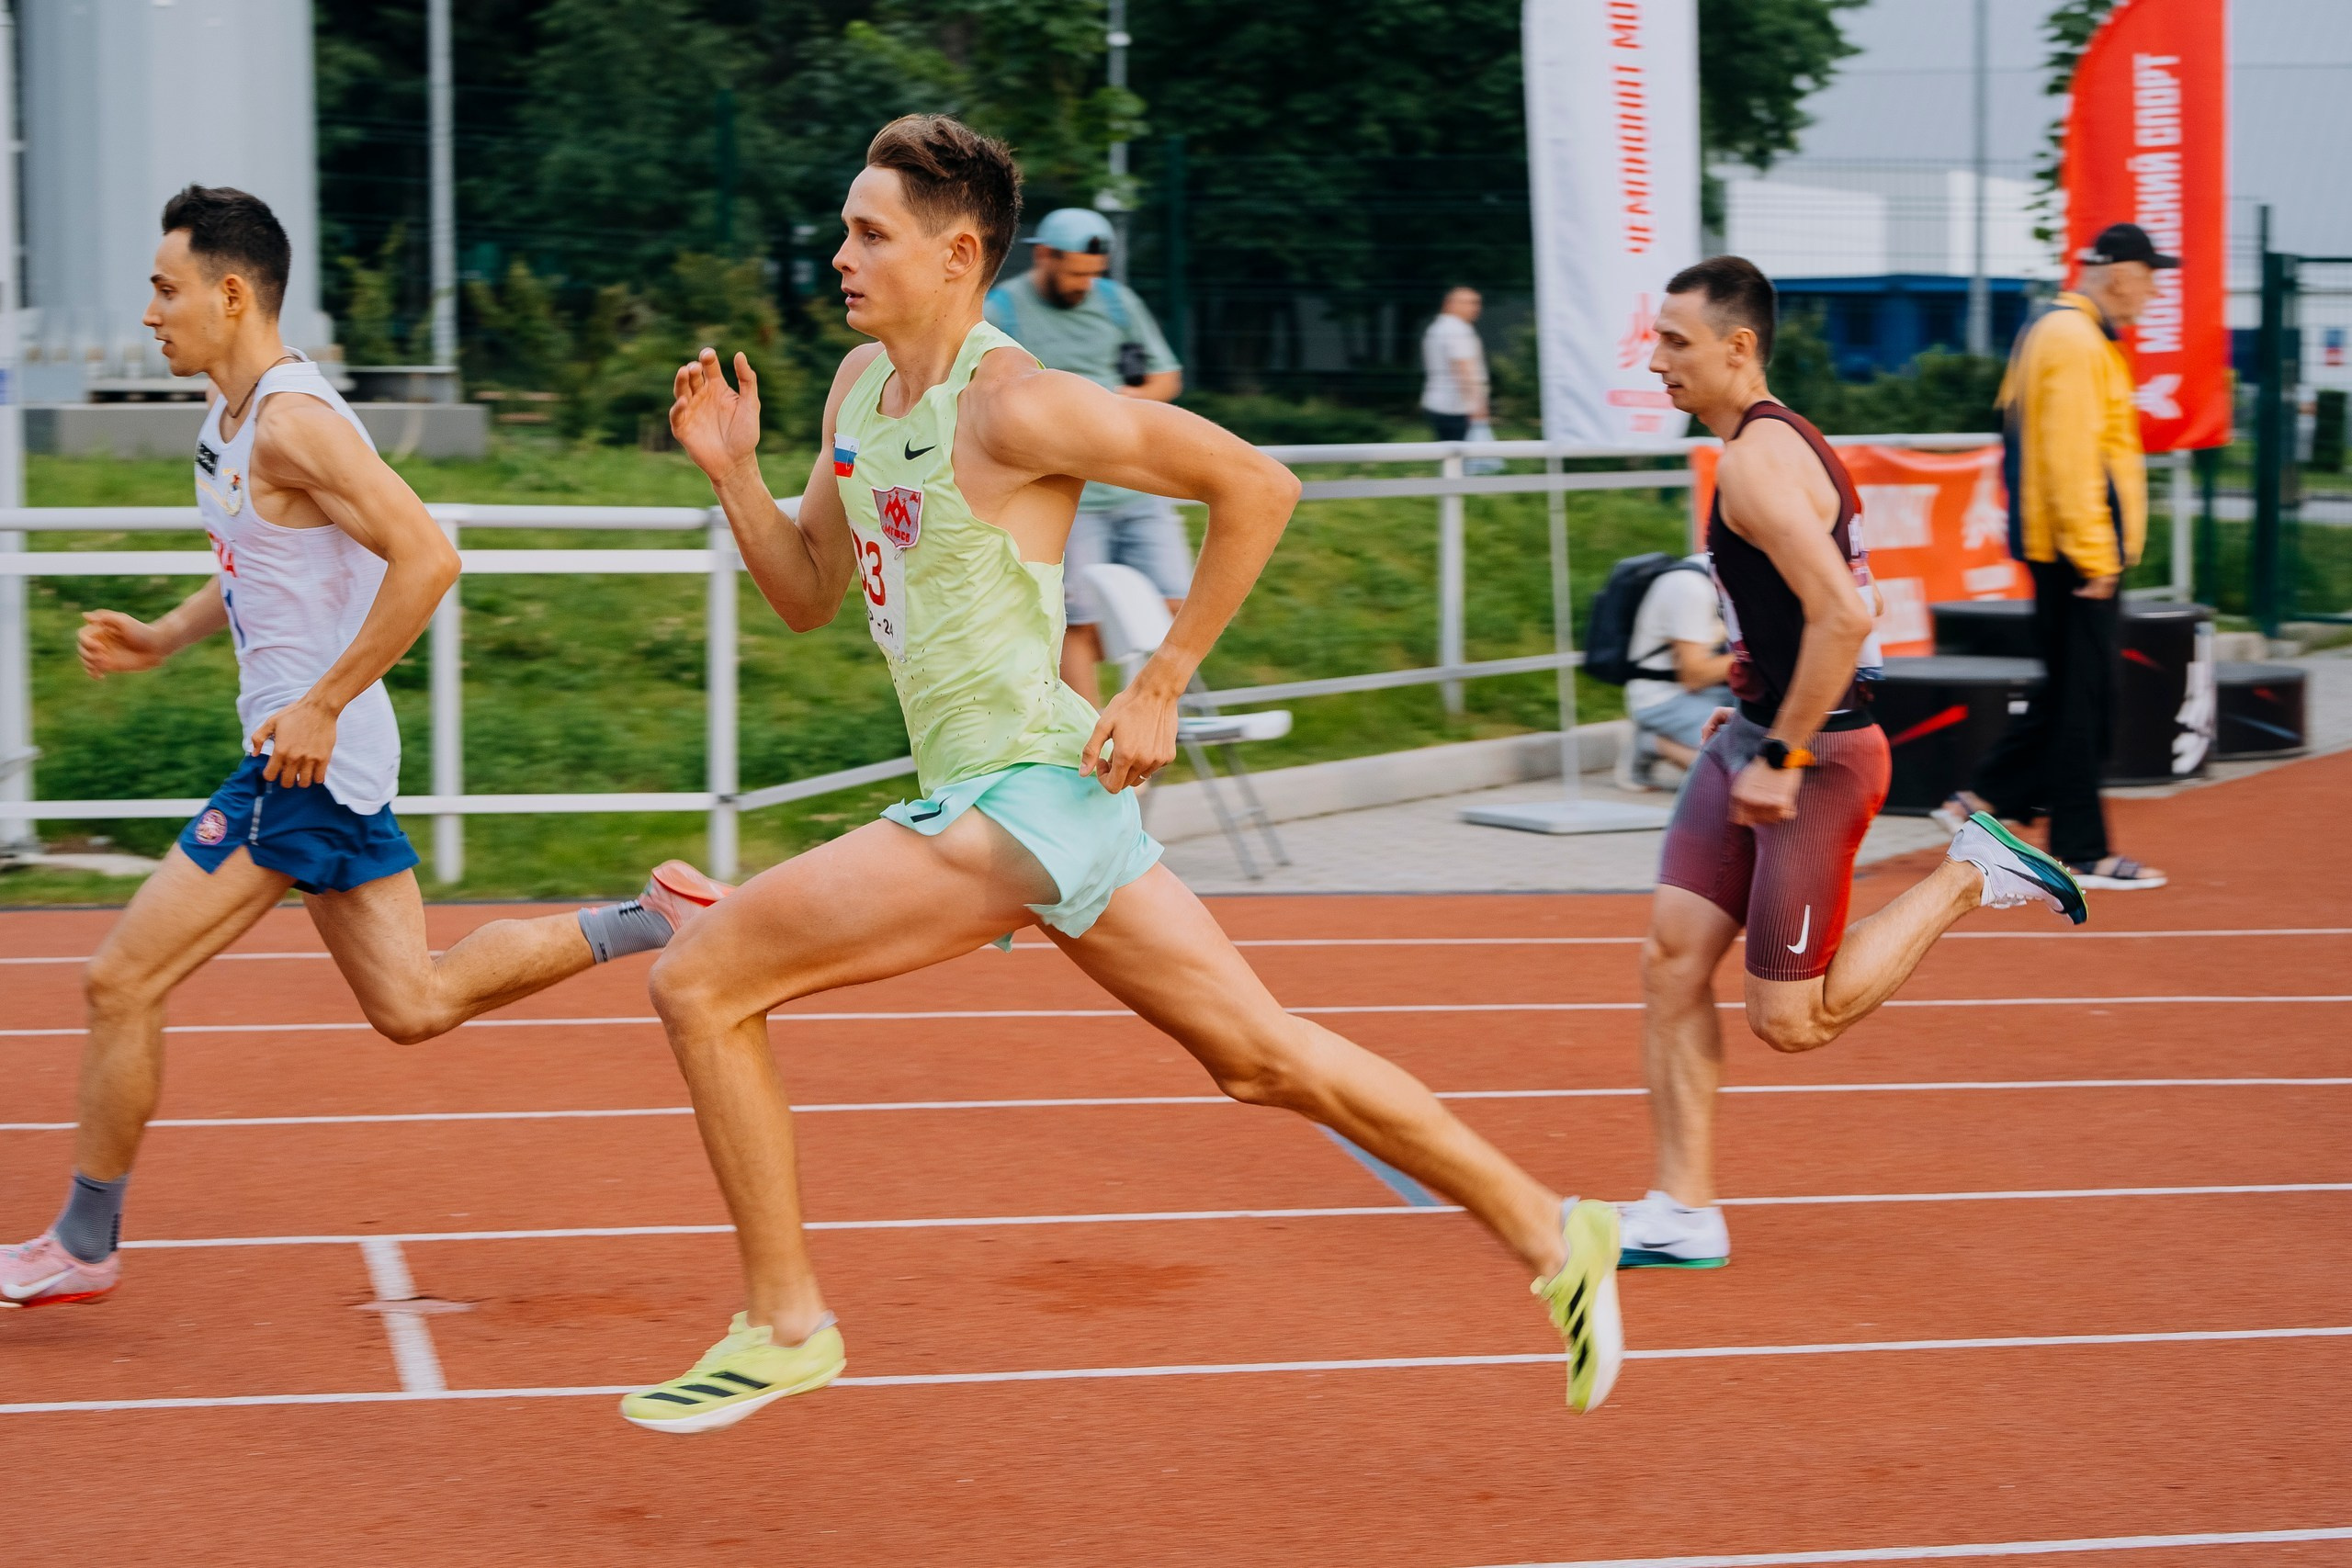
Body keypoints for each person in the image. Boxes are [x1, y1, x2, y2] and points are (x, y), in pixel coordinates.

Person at [621, 115, 1625, 1431]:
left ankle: (787, 1323)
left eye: (870, 233)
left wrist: (1160, 682)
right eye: (847, 228)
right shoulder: (859, 391)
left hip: (1020, 795)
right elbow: (808, 592)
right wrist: (736, 476)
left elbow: (1258, 485)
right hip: (1043, 803)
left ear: (958, 254)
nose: (842, 254)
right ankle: (1554, 1229)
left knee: (701, 979)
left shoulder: (1020, 403)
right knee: (1263, 1059)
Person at [0, 186, 727, 1312]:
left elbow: (429, 556)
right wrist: (163, 636)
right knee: (413, 1003)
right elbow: (257, 563)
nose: (148, 313)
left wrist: (323, 703)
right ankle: (655, 915)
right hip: (326, 762)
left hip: (298, 766)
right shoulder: (229, 420)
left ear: (229, 294)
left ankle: (84, 1241)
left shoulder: (295, 421)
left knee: (120, 979)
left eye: (163, 289)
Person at [1617, 256, 2090, 1271]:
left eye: (1674, 341)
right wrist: (1755, 702)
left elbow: (1843, 615)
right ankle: (1682, 1210)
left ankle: (1971, 872)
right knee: (1670, 961)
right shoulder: (1775, 442)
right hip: (1755, 733)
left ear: (1738, 347)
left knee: (1791, 1021)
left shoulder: (1757, 462)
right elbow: (1825, 605)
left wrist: (1784, 750)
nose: (1656, 359)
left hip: (1816, 758)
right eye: (1656, 338)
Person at [1935, 223, 2172, 892]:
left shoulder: (2067, 332)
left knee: (2075, 692)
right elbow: (2070, 461)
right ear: (2120, 274)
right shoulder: (2072, 338)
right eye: (2149, 278)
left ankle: (1982, 799)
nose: (2153, 293)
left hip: (2066, 547)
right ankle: (2080, 849)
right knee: (2085, 703)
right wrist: (2096, 555)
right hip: (2074, 552)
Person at [983, 207, 1190, 700]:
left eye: (1094, 275)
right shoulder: (1002, 312)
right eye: (1076, 274)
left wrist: (1114, 405)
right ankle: (1090, 738)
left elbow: (1166, 379)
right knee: (1077, 621)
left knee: (1176, 605)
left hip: (1136, 485)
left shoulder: (1118, 303)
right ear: (1044, 255)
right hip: (1064, 498)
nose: (1086, 285)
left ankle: (1144, 719)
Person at [1617, 553, 1733, 792]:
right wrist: (1757, 654)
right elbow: (1694, 676)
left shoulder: (1718, 573)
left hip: (1710, 691)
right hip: (1663, 698)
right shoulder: (1690, 587)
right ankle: (1651, 743)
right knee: (1741, 773)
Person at [1419, 287, 1489, 444]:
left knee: (1448, 452)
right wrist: (1478, 406)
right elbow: (1464, 368)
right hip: (1457, 406)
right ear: (1448, 304)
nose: (1475, 307)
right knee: (1461, 453)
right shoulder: (1457, 330)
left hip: (1437, 402)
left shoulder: (1437, 327)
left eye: (1477, 303)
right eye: (1467, 302)